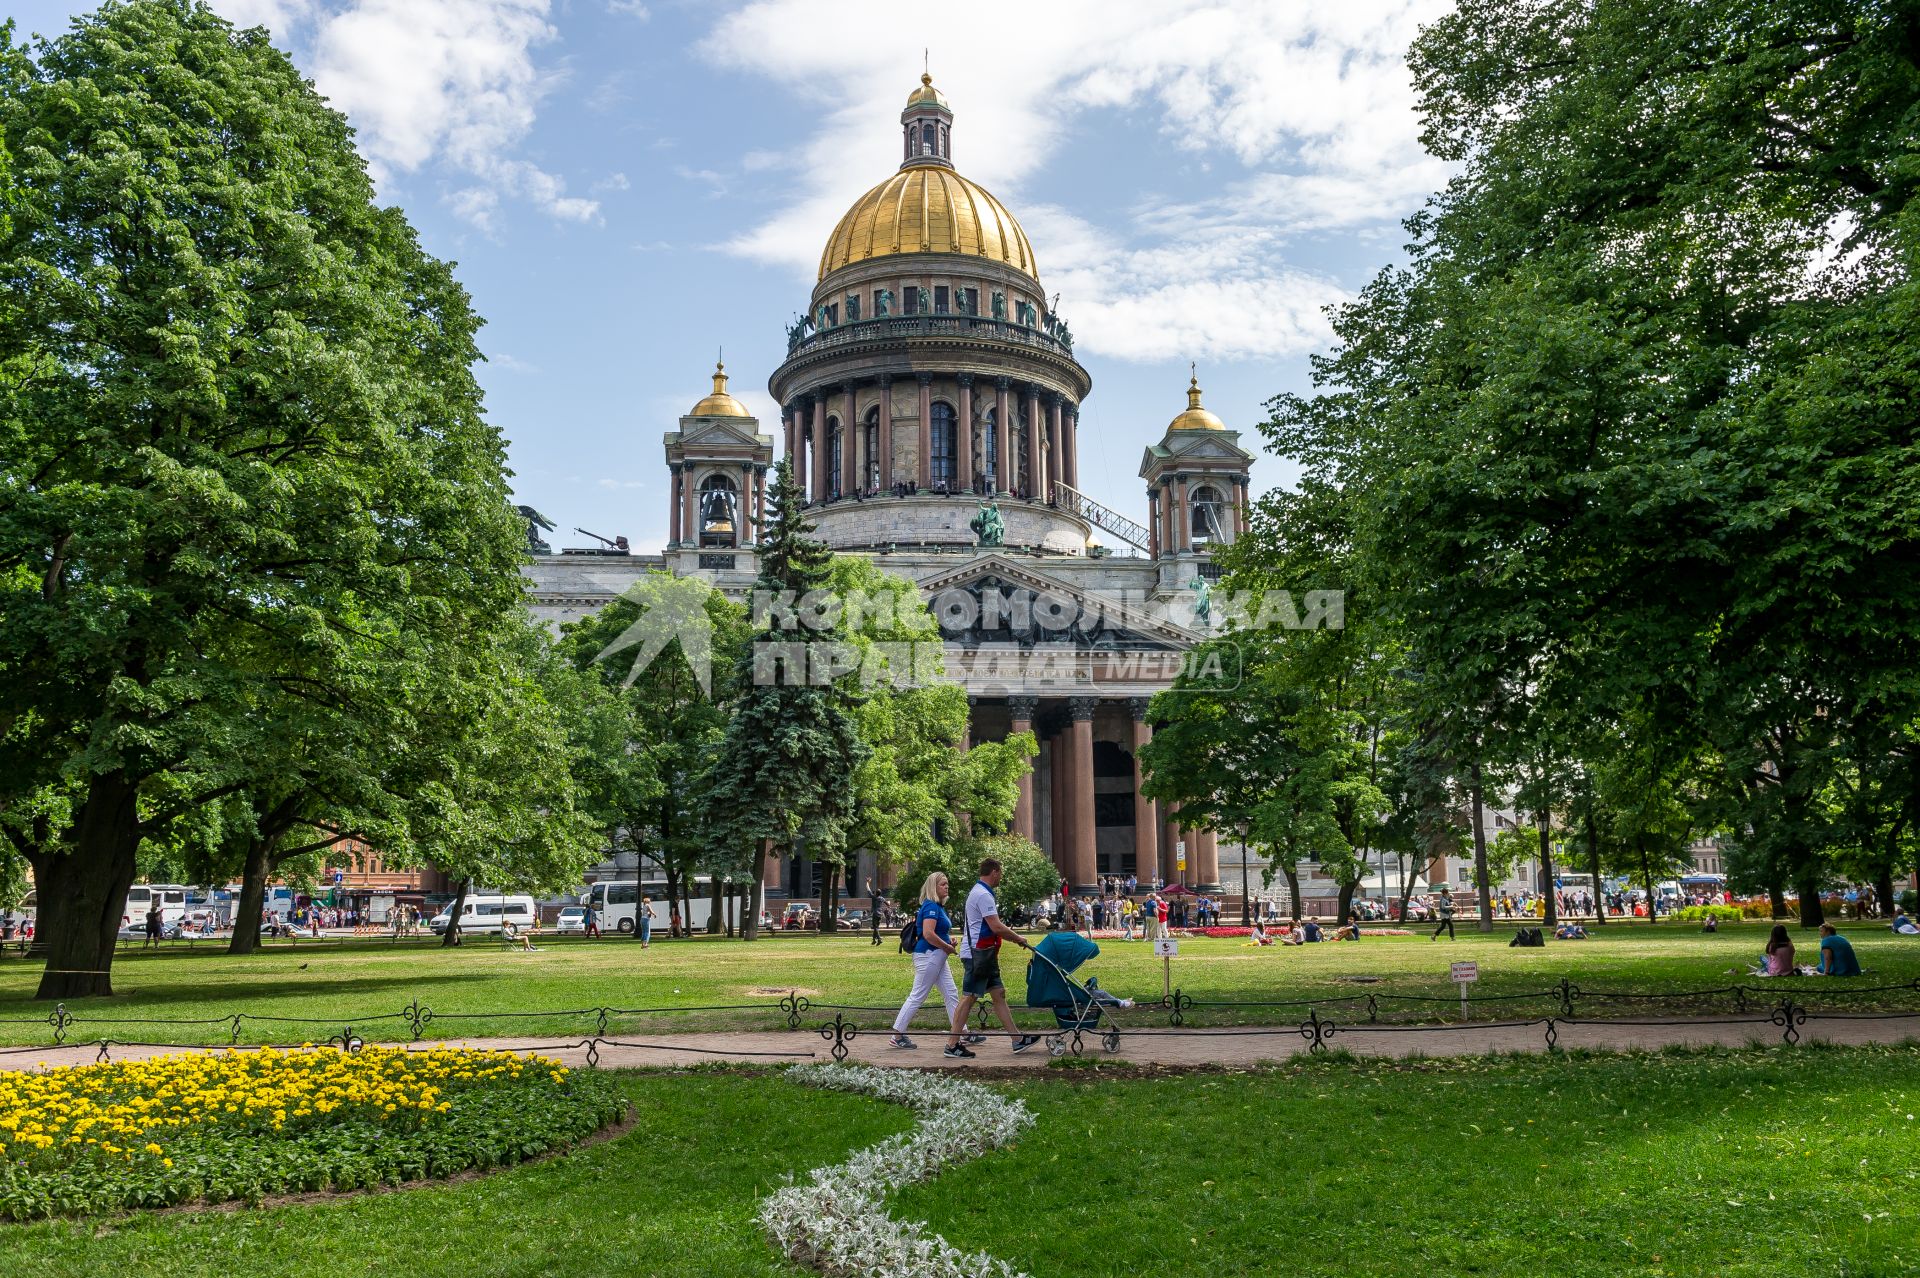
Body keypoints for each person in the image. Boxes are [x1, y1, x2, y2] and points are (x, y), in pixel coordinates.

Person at [943, 857, 1041, 1059]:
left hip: (985, 954)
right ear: (994, 871)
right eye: (1000, 873)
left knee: (999, 994)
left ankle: (1017, 1039)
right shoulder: (983, 895)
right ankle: (952, 1044)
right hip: (977, 954)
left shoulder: (981, 892)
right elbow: (995, 926)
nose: (1001, 877)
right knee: (969, 997)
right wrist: (1017, 938)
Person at [891, 872, 960, 1049]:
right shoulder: (930, 906)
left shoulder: (937, 907)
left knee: (951, 993)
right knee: (918, 994)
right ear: (933, 887)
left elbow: (936, 933)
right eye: (943, 884)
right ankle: (897, 1035)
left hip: (937, 955)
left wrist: (948, 942)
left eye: (947, 884)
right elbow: (928, 934)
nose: (947, 887)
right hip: (929, 955)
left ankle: (962, 1032)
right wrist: (947, 947)